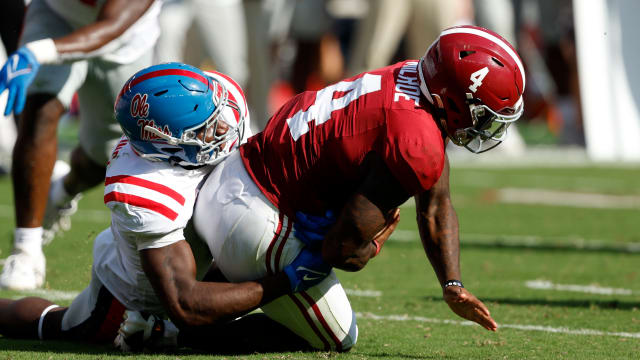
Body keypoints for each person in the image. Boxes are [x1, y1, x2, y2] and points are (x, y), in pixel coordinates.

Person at [192, 25, 525, 351]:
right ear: (448, 99)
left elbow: (436, 205)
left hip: (226, 179)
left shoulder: (410, 75)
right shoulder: (416, 142)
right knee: (339, 336)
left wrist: (452, 284)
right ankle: (185, 334)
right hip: (258, 221)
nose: (486, 125)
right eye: (483, 114)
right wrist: (374, 245)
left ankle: (181, 308)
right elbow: (343, 252)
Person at [0, 63, 331, 351]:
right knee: (66, 326)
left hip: (202, 240)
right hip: (137, 295)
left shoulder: (212, 98)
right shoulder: (143, 189)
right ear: (165, 142)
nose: (224, 128)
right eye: (205, 129)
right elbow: (185, 304)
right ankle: (158, 331)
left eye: (216, 115)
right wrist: (288, 280)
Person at [0, 0, 161, 290]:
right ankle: (26, 250)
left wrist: (36, 52)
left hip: (123, 40)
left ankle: (62, 190)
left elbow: (110, 27)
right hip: (55, 15)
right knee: (41, 110)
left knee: (107, 156)